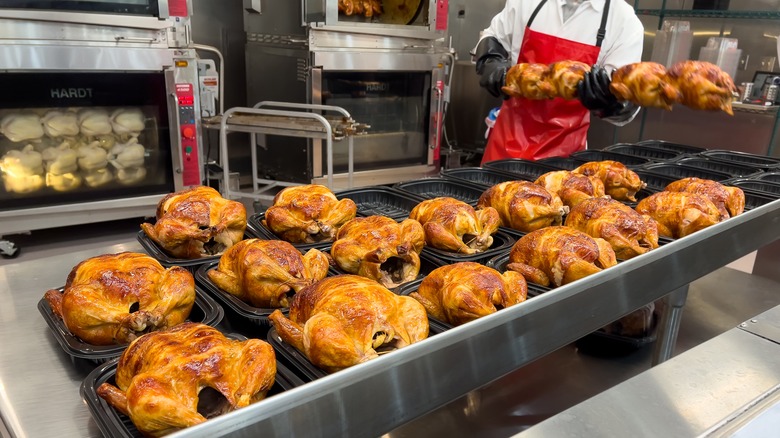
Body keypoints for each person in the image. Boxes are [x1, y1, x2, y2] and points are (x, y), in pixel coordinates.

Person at [475, 0, 644, 163]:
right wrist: (491, 62)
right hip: (506, 147)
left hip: (563, 161)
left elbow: (627, 103)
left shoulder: (623, 20)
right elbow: (493, 36)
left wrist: (608, 102)